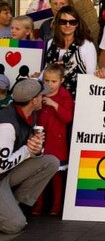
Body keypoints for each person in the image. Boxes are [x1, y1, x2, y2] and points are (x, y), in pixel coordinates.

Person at [0, 78, 58, 234]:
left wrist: (36, 150)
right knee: (15, 226)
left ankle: (15, 206)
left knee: (51, 162)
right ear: (33, 100)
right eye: (41, 95)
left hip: (7, 175)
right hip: (1, 173)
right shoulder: (7, 126)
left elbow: (30, 151)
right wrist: (27, 150)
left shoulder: (30, 115)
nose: (44, 97)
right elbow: (1, 166)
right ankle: (9, 214)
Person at [31, 64, 74, 216]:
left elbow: (68, 117)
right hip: (41, 140)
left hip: (57, 142)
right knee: (38, 174)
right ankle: (38, 205)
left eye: (53, 81)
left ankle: (56, 206)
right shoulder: (39, 93)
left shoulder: (64, 96)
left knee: (56, 177)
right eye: (47, 80)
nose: (49, 84)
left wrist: (54, 104)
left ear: (61, 80)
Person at [44, 6, 97, 98]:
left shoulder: (87, 45)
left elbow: (90, 77)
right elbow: (46, 69)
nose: (67, 25)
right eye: (63, 22)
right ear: (58, 23)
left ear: (77, 24)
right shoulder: (50, 43)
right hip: (50, 99)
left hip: (76, 99)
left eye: (72, 22)